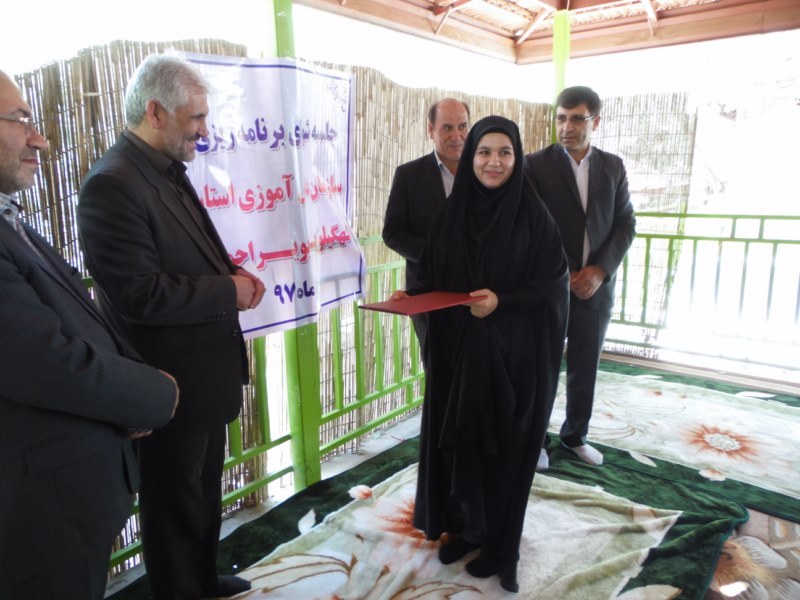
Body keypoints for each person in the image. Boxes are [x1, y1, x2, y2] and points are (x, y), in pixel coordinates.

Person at [77, 54, 266, 600]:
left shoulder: (161, 170)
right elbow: (138, 294)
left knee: (201, 496)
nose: (205, 130)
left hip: (202, 381)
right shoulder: (112, 184)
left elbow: (187, 256)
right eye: (196, 117)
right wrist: (227, 291)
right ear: (156, 112)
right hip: (168, 386)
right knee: (173, 507)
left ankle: (202, 581)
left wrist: (229, 272)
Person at [0, 69, 179, 600]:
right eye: (20, 119)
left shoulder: (11, 219)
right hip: (37, 516)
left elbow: (77, 317)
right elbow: (45, 361)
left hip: (62, 503)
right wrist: (154, 394)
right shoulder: (113, 182)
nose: (39, 139)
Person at [392, 116, 569, 592]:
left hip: (513, 360)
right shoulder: (451, 215)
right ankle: (465, 529)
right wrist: (414, 295)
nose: (494, 162)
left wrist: (502, 302)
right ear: (471, 157)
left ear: (517, 158)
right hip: (457, 354)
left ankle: (497, 542)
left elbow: (552, 288)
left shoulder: (535, 218)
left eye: (504, 152)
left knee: (502, 448)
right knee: (460, 443)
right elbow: (434, 275)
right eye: (484, 152)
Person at [525, 86, 636, 468]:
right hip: (550, 288)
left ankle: (575, 436)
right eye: (561, 118)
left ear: (595, 121)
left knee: (585, 366)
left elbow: (625, 223)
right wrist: (567, 272)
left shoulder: (613, 166)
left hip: (596, 289)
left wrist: (600, 271)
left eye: (576, 119)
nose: (566, 127)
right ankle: (536, 442)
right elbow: (531, 226)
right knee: (541, 369)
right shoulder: (534, 166)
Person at [382, 98, 470, 357]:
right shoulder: (409, 175)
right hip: (427, 294)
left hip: (476, 292)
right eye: (447, 128)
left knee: (477, 370)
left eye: (462, 126)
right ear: (431, 129)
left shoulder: (483, 172)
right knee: (438, 369)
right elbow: (392, 232)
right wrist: (437, 254)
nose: (457, 136)